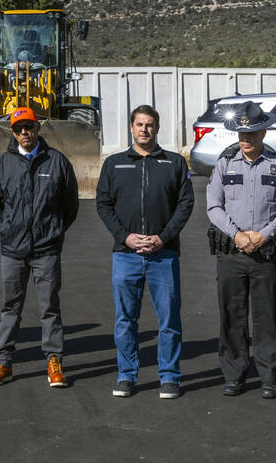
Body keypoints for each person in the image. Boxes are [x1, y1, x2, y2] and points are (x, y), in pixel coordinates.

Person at [95, 105, 194, 399]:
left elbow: (185, 205)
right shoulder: (114, 164)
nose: (144, 130)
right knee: (125, 319)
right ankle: (126, 375)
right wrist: (124, 237)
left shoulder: (174, 163)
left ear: (158, 128)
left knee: (169, 320)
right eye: (139, 124)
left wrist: (163, 238)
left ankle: (170, 377)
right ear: (131, 127)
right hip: (125, 256)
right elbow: (103, 204)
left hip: (164, 255)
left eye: (149, 125)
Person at [205, 101, 276, 399]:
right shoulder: (225, 164)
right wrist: (237, 235)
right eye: (241, 135)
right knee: (232, 315)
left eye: (252, 133)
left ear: (263, 131)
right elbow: (213, 207)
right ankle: (234, 375)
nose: (246, 140)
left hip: (266, 253)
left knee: (267, 316)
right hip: (232, 253)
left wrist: (264, 235)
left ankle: (269, 376)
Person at [0, 107, 79, 388]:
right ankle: (3, 363)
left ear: (38, 129)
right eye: (18, 128)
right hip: (13, 249)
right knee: (10, 306)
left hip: (46, 249)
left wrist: (54, 231)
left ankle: (54, 361)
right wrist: (11, 228)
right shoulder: (4, 163)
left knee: (50, 307)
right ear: (12, 133)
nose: (24, 132)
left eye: (29, 127)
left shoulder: (57, 162)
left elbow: (70, 205)